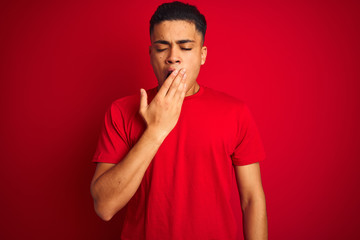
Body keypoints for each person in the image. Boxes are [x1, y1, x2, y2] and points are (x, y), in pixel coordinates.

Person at [90, 1, 268, 239]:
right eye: (162, 47)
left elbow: (251, 200)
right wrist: (155, 130)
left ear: (202, 55)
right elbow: (104, 207)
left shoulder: (235, 112)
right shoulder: (121, 111)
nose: (173, 57)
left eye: (185, 47)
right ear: (151, 53)